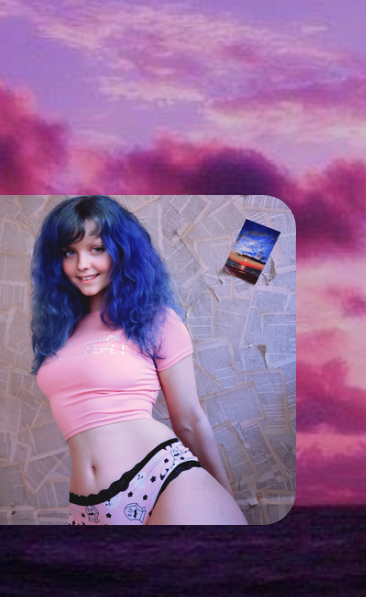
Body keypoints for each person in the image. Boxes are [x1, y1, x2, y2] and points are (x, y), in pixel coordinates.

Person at [30, 195, 247, 525]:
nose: (82, 264)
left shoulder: (156, 320)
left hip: (163, 479)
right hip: (87, 507)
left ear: (121, 251)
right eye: (69, 252)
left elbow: (189, 419)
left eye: (96, 249)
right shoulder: (59, 331)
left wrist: (223, 493)